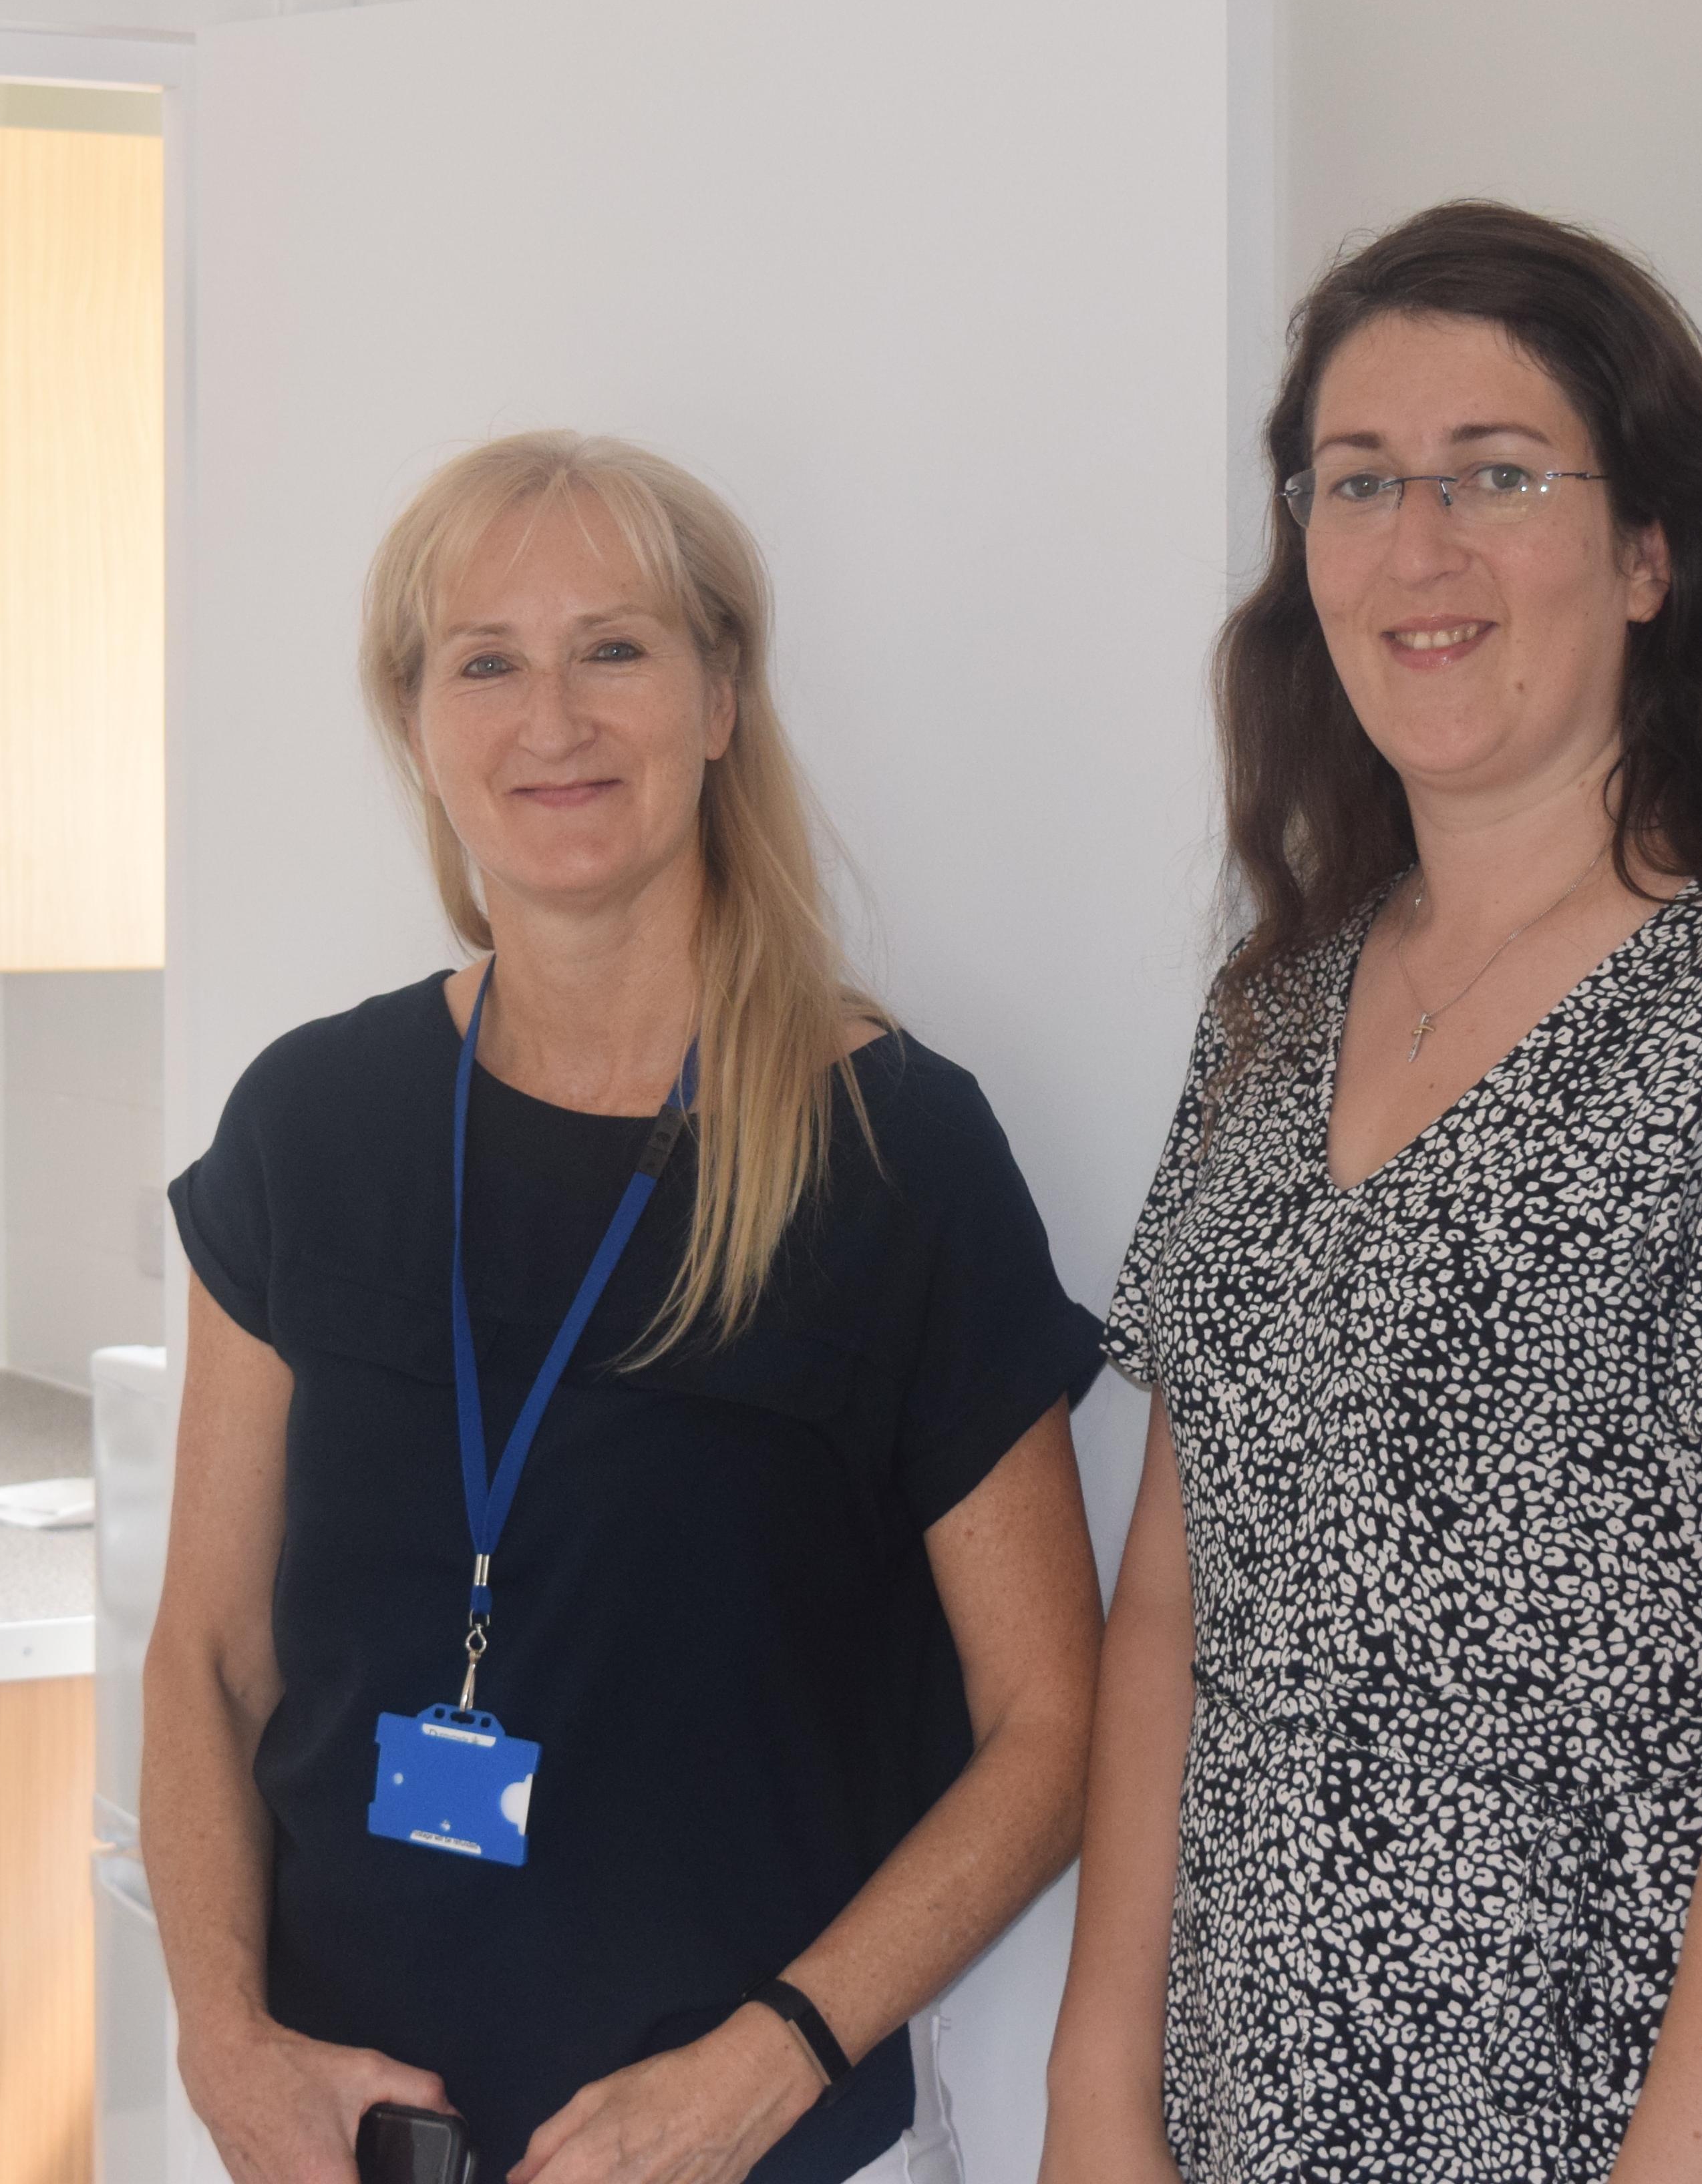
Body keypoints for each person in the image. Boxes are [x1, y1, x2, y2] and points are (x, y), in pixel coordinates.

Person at [1045, 205, 1702, 2183]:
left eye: (1495, 476)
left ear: (1647, 554)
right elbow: (1177, 1611)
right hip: (1266, 2127)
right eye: (1357, 485)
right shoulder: (1272, 1023)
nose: (1415, 547)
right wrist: (1099, 2092)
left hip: (1673, 2131)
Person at [152, 431, 1110, 2184]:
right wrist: (225, 2044)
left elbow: (1053, 1728)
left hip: (753, 2154)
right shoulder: (309, 1122)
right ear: (419, 722)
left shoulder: (893, 1151)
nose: (554, 721)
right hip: (354, 2145)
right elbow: (211, 1659)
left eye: (616, 648)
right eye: (487, 663)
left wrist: (773, 2061)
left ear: (722, 695)